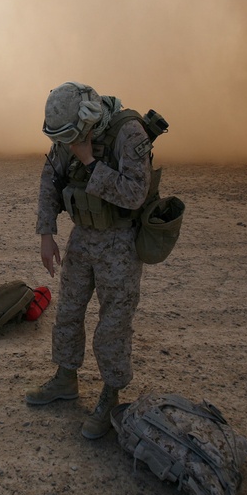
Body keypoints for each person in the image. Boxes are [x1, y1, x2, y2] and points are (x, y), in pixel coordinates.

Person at [25, 81, 153, 439]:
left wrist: (89, 161)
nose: (63, 143)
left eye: (68, 137)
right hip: (82, 236)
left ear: (86, 120)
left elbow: (135, 193)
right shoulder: (67, 138)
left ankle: (111, 396)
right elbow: (49, 179)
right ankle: (66, 378)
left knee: (113, 324)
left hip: (120, 242)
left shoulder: (129, 132)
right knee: (68, 312)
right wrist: (46, 233)